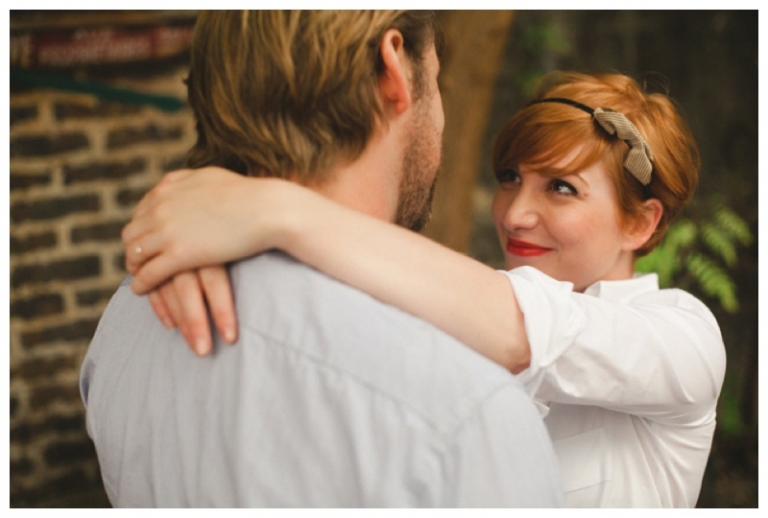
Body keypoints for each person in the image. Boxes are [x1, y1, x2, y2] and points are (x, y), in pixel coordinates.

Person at [122, 70, 727, 507]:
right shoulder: (461, 302)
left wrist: (273, 210)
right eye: (511, 178)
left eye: (560, 188)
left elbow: (526, 329)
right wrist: (203, 247)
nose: (514, 214)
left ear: (640, 222)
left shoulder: (684, 337)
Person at [79, 10, 565, 507]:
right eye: (436, 84)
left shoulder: (124, 323)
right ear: (393, 67)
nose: (440, 118)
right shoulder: (467, 411)